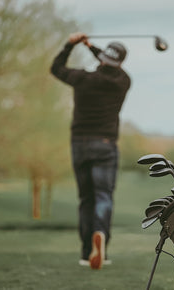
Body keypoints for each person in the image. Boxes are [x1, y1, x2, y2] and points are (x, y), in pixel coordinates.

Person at [50, 32, 131, 270]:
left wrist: (71, 44)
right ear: (121, 63)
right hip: (106, 145)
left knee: (86, 199)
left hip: (80, 144)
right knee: (103, 196)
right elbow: (112, 67)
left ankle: (87, 253)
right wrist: (91, 47)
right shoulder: (123, 81)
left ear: (103, 59)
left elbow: (56, 68)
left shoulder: (82, 78)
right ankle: (101, 235)